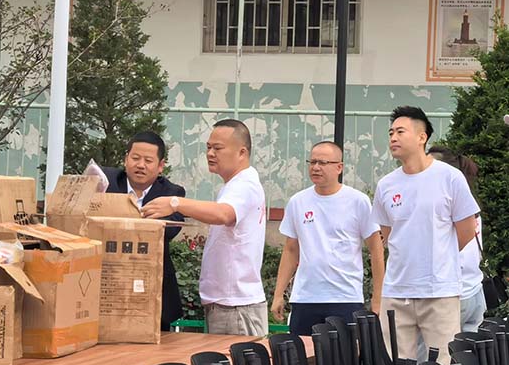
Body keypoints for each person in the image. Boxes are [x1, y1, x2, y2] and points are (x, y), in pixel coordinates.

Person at [372, 106, 479, 365]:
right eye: (391, 132)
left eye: (400, 131)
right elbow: (388, 234)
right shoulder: (386, 185)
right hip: (396, 291)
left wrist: (438, 256)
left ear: (422, 137)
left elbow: (467, 230)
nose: (393, 138)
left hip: (439, 291)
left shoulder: (449, 177)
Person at [142, 119, 267, 336]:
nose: (210, 154)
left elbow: (223, 214)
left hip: (235, 305)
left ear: (242, 152)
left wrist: (175, 203)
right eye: (208, 147)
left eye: (218, 148)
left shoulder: (244, 185)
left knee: (237, 360)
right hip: (227, 303)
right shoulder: (234, 185)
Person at [271, 141, 385, 336]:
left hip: (345, 298)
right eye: (312, 162)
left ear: (339, 167)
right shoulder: (298, 202)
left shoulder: (358, 201)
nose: (316, 167)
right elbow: (290, 249)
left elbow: (376, 249)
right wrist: (278, 294)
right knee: (304, 352)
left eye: (323, 163)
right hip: (305, 298)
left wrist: (378, 298)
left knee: (344, 354)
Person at [103, 131, 186, 330]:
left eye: (148, 160)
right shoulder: (106, 183)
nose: (140, 165)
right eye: (135, 158)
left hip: (152, 288)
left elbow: (171, 229)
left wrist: (130, 221)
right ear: (126, 159)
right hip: (109, 283)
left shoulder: (171, 193)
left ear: (160, 166)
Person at [428, 146, 484, 332]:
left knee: (430, 350)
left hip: (451, 295)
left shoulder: (443, 206)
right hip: (474, 291)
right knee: (469, 349)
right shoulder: (471, 205)